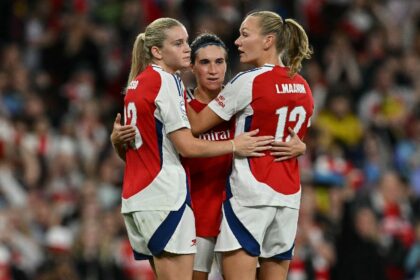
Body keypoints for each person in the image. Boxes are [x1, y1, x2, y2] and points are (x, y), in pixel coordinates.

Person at [109, 17, 273, 280]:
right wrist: (232, 145)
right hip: (191, 213)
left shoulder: (242, 108)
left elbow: (271, 140)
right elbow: (176, 147)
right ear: (193, 68)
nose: (213, 70)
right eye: (204, 62)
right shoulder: (175, 95)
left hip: (238, 215)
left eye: (219, 62)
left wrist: (298, 146)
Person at [187, 11, 314, 280]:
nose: (237, 41)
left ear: (268, 41)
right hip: (288, 198)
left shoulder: (248, 81)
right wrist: (301, 148)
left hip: (250, 196)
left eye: (245, 34)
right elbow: (297, 137)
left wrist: (168, 90)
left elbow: (196, 125)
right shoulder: (303, 86)